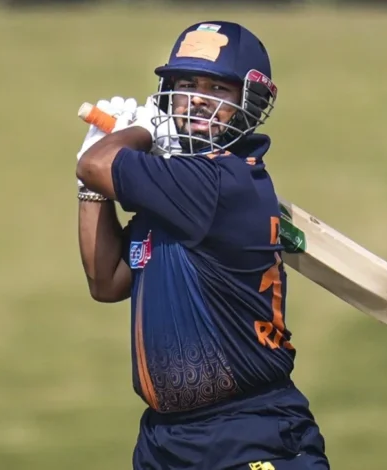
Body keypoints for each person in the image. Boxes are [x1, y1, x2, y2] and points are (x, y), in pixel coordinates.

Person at [75, 20, 330, 470]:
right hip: (166, 443)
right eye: (187, 85)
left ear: (249, 105)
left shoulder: (221, 184)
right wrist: (91, 192)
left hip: (249, 435)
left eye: (217, 88)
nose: (196, 98)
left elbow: (97, 165)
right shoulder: (176, 191)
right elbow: (107, 282)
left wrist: (138, 133)